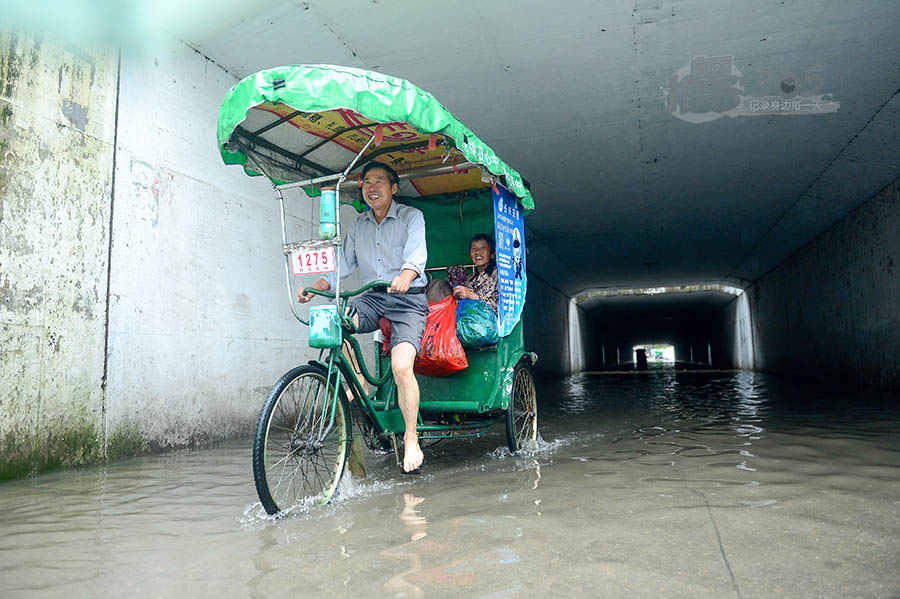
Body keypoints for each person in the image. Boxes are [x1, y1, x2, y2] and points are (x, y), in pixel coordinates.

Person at [298, 162, 428, 473]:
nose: (372, 187)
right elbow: (341, 266)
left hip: (408, 299)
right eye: (367, 182)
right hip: (372, 297)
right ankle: (362, 386)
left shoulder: (411, 217)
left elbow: (416, 257)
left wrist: (406, 276)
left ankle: (411, 437)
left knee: (400, 367)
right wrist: (314, 288)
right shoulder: (359, 225)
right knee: (336, 323)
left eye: (379, 181)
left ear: (393, 188)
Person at [452, 233, 499, 314]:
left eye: (483, 248)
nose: (477, 252)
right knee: (439, 285)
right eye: (474, 249)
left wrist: (472, 296)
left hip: (488, 323)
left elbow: (499, 309)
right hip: (468, 320)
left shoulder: (500, 275)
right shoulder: (471, 278)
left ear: (492, 254)